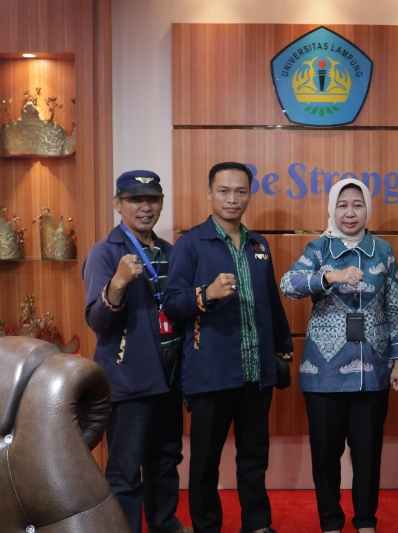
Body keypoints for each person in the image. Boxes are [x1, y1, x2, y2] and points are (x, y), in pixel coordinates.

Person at [164, 162, 292, 533]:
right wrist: (205, 294)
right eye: (224, 191)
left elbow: (271, 301)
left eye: (240, 191)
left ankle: (257, 524)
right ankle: (207, 527)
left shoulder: (258, 244)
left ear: (249, 194)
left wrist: (283, 348)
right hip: (211, 372)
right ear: (210, 194)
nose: (232, 199)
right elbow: (172, 303)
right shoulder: (191, 243)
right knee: (205, 462)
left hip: (256, 372)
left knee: (254, 458)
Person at [280, 178, 398, 533]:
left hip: (373, 373)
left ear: (368, 208)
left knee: (368, 455)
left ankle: (366, 521)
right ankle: (331, 524)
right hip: (322, 374)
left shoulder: (383, 251)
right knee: (325, 456)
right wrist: (329, 277)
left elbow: (396, 310)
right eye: (342, 205)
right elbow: (288, 284)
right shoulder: (318, 248)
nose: (350, 212)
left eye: (357, 204)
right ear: (331, 209)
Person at [82, 170, 191, 533]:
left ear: (161, 203)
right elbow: (98, 322)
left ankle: (164, 524)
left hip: (169, 377)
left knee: (165, 461)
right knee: (125, 471)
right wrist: (118, 283)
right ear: (118, 204)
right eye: (135, 200)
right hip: (128, 379)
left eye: (152, 199)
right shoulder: (105, 252)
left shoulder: (171, 252)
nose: (145, 207)